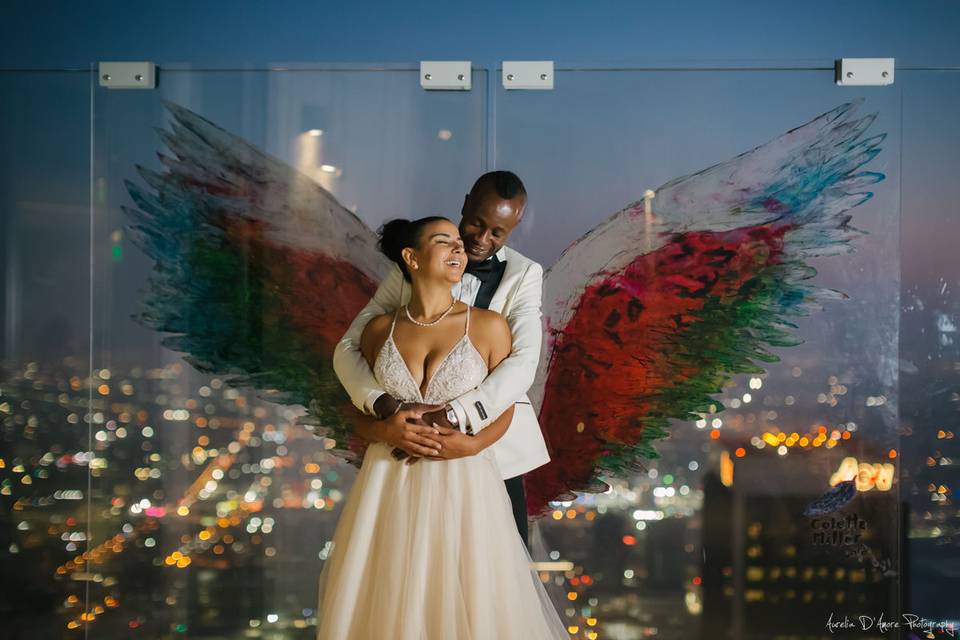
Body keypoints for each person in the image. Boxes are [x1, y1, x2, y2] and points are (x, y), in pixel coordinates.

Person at [316, 216, 566, 639]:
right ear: (411, 258)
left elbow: (506, 405)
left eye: (458, 243)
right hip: (388, 483)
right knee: (387, 596)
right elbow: (355, 409)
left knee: (473, 598)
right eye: (443, 242)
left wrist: (471, 447)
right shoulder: (379, 331)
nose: (459, 249)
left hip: (465, 484)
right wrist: (385, 430)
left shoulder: (489, 326)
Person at [332, 171, 549, 546]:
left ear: (514, 228)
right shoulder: (418, 262)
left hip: (492, 443)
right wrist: (382, 405)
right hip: (404, 448)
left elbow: (522, 363)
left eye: (497, 233)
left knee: (502, 562)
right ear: (465, 205)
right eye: (476, 224)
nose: (481, 240)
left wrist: (461, 420)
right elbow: (350, 346)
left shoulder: (525, 274)